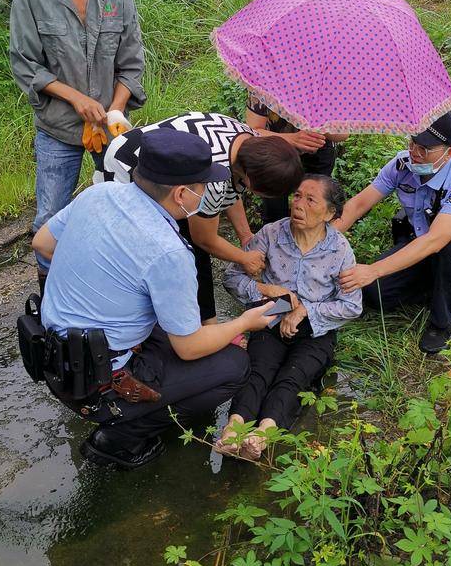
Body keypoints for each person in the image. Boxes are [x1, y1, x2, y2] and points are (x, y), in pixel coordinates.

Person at [31, 128, 276, 469]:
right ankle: (118, 437)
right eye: (203, 187)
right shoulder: (168, 251)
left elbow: (42, 243)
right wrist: (245, 321)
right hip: (95, 381)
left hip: (51, 352)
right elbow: (188, 347)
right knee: (234, 365)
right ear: (181, 194)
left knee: (170, 326)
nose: (206, 193)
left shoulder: (99, 194)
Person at [10, 0, 146, 294]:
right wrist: (74, 97)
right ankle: (51, 293)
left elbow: (132, 64)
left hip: (111, 129)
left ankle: (113, 287)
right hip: (58, 129)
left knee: (122, 207)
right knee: (50, 215)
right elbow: (24, 63)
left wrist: (116, 107)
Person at [99, 111, 305, 323]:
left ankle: (198, 321)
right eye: (267, 193)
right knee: (175, 250)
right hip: (128, 164)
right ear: (253, 180)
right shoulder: (215, 174)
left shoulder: (253, 144)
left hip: (157, 154)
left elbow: (233, 191)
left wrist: (245, 236)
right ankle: (199, 324)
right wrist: (243, 257)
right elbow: (203, 239)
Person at [218, 175, 362, 460]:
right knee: (258, 369)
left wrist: (305, 309)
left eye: (310, 200)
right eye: (297, 196)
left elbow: (351, 305)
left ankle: (263, 434)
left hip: (317, 328)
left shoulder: (340, 249)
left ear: (331, 213)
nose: (298, 205)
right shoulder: (271, 234)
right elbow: (231, 277)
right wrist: (264, 288)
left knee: (293, 377)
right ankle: (233, 429)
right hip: (272, 316)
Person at [335, 113, 451, 355]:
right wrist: (319, 242)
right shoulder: (401, 166)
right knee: (374, 294)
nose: (415, 152)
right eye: (412, 143)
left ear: (449, 153)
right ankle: (430, 285)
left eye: (425, 148)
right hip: (421, 243)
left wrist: (372, 270)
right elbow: (358, 205)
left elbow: (436, 240)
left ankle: (441, 324)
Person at [245, 93, 349, 224]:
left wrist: (317, 116)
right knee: (275, 209)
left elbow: (343, 134)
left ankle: (308, 242)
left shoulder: (327, 86)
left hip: (316, 151)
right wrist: (292, 139)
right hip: (276, 152)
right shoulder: (263, 83)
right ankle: (275, 240)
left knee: (312, 206)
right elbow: (252, 131)